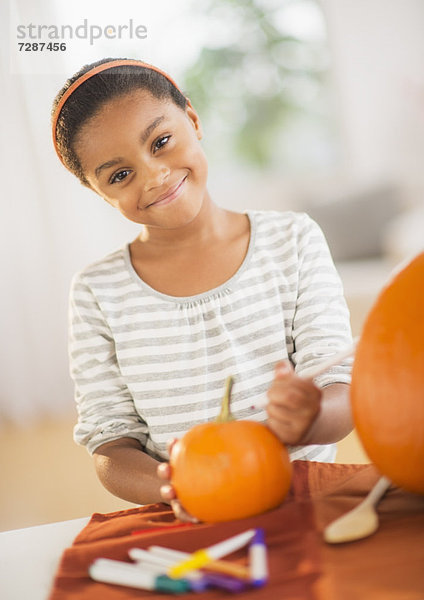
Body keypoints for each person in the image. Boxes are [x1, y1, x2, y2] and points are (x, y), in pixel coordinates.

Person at [52, 58, 353, 520]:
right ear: (97, 191)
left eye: (161, 142)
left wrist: (311, 416)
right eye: (119, 175)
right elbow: (110, 444)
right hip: (188, 515)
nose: (152, 176)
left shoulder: (293, 240)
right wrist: (180, 482)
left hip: (305, 506)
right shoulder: (97, 292)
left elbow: (341, 392)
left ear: (192, 120)